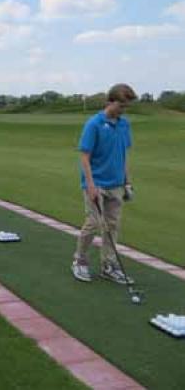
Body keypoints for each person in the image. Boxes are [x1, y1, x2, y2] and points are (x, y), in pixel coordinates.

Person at [71, 84, 137, 284]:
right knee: (93, 223)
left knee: (112, 225)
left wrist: (127, 182)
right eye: (121, 106)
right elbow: (84, 156)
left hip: (116, 184)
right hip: (97, 183)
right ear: (110, 101)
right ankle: (80, 261)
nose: (123, 110)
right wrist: (90, 185)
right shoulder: (94, 124)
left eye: (126, 107)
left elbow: (124, 155)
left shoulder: (124, 125)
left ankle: (108, 265)